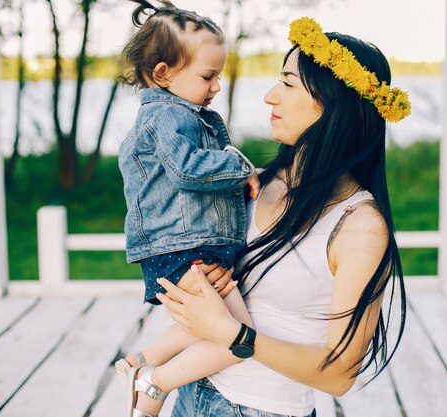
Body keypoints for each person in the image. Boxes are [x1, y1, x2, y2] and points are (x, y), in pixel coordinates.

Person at [155, 17, 410, 417]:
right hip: (191, 396)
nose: (271, 96)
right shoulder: (258, 183)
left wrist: (233, 335)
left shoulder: (359, 225)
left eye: (288, 84)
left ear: (333, 103)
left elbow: (340, 374)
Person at [114, 1, 261, 416]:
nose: (216, 87)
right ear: (164, 74)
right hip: (180, 247)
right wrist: (239, 164)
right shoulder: (164, 116)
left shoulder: (186, 114)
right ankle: (153, 386)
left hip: (194, 245)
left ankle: (137, 364)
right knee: (239, 340)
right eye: (208, 76)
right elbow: (187, 170)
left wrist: (242, 172)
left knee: (203, 328)